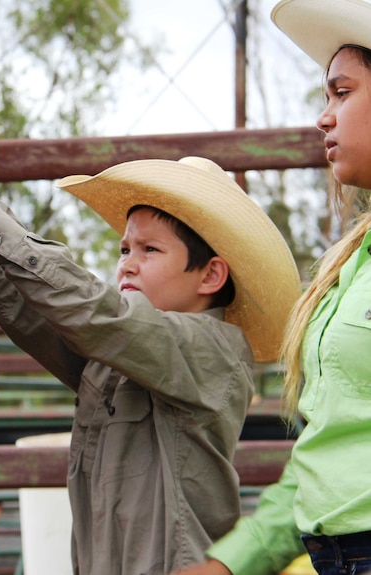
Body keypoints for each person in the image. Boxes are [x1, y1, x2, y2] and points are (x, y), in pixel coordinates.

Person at [0, 93, 300, 574]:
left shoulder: (215, 348)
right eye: (125, 248)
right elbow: (29, 310)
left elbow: (93, 311)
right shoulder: (112, 356)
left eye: (150, 249)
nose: (127, 263)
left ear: (210, 276)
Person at [173, 1, 371, 575]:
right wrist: (232, 561)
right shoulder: (347, 266)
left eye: (342, 92)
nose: (323, 117)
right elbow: (327, 451)